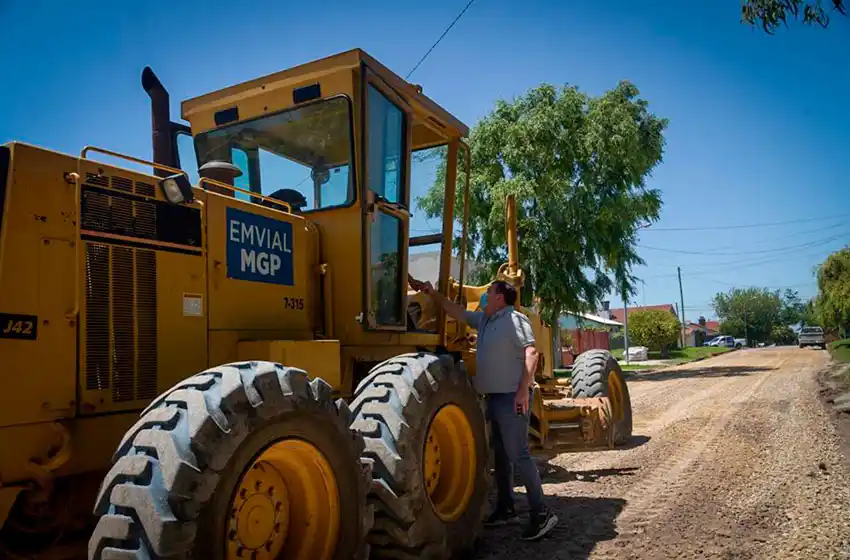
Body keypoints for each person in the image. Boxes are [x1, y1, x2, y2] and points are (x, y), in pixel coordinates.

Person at [408, 275, 558, 541]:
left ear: (500, 298)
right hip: (494, 397)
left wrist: (524, 389)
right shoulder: (486, 320)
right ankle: (506, 508)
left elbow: (531, 353)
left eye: (489, 293)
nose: (484, 297)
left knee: (519, 454)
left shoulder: (514, 320)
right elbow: (455, 311)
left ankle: (542, 513)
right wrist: (432, 293)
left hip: (512, 397)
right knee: (500, 454)